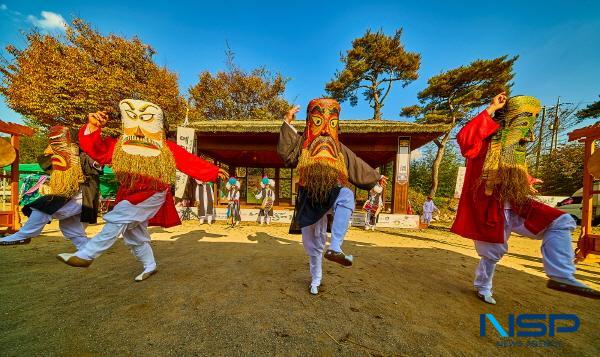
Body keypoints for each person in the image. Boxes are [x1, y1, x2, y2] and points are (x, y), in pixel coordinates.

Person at [451, 92, 600, 303]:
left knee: (561, 221)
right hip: (491, 205)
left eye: (531, 119)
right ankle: (483, 287)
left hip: (517, 203)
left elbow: (512, 171)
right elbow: (465, 138)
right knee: (493, 252)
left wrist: (528, 179)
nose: (528, 126)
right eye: (523, 118)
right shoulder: (486, 140)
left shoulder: (517, 150)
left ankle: (561, 275)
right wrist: (491, 108)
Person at [56, 99, 228, 281]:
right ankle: (150, 265)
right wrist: (93, 126)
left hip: (152, 192)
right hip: (128, 193)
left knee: (118, 218)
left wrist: (213, 170)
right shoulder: (120, 145)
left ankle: (86, 255)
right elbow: (98, 151)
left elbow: (188, 161)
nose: (138, 130)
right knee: (133, 234)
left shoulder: (165, 148)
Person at [278, 98, 387, 295]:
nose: (327, 129)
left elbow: (355, 164)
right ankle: (316, 277)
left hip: (331, 192)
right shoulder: (303, 144)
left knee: (346, 195)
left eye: (333, 123)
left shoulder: (339, 148)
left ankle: (335, 246)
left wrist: (375, 179)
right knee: (312, 242)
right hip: (308, 196)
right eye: (319, 121)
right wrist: (287, 120)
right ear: (310, 122)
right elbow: (286, 155)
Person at [0, 125, 102, 249]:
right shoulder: (57, 157)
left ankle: (23, 235)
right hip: (72, 195)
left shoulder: (83, 155)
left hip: (82, 194)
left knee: (44, 206)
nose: (55, 144)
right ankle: (87, 252)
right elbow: (46, 167)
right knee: (70, 228)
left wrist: (80, 155)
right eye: (53, 141)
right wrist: (47, 153)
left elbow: (97, 168)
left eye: (58, 141)